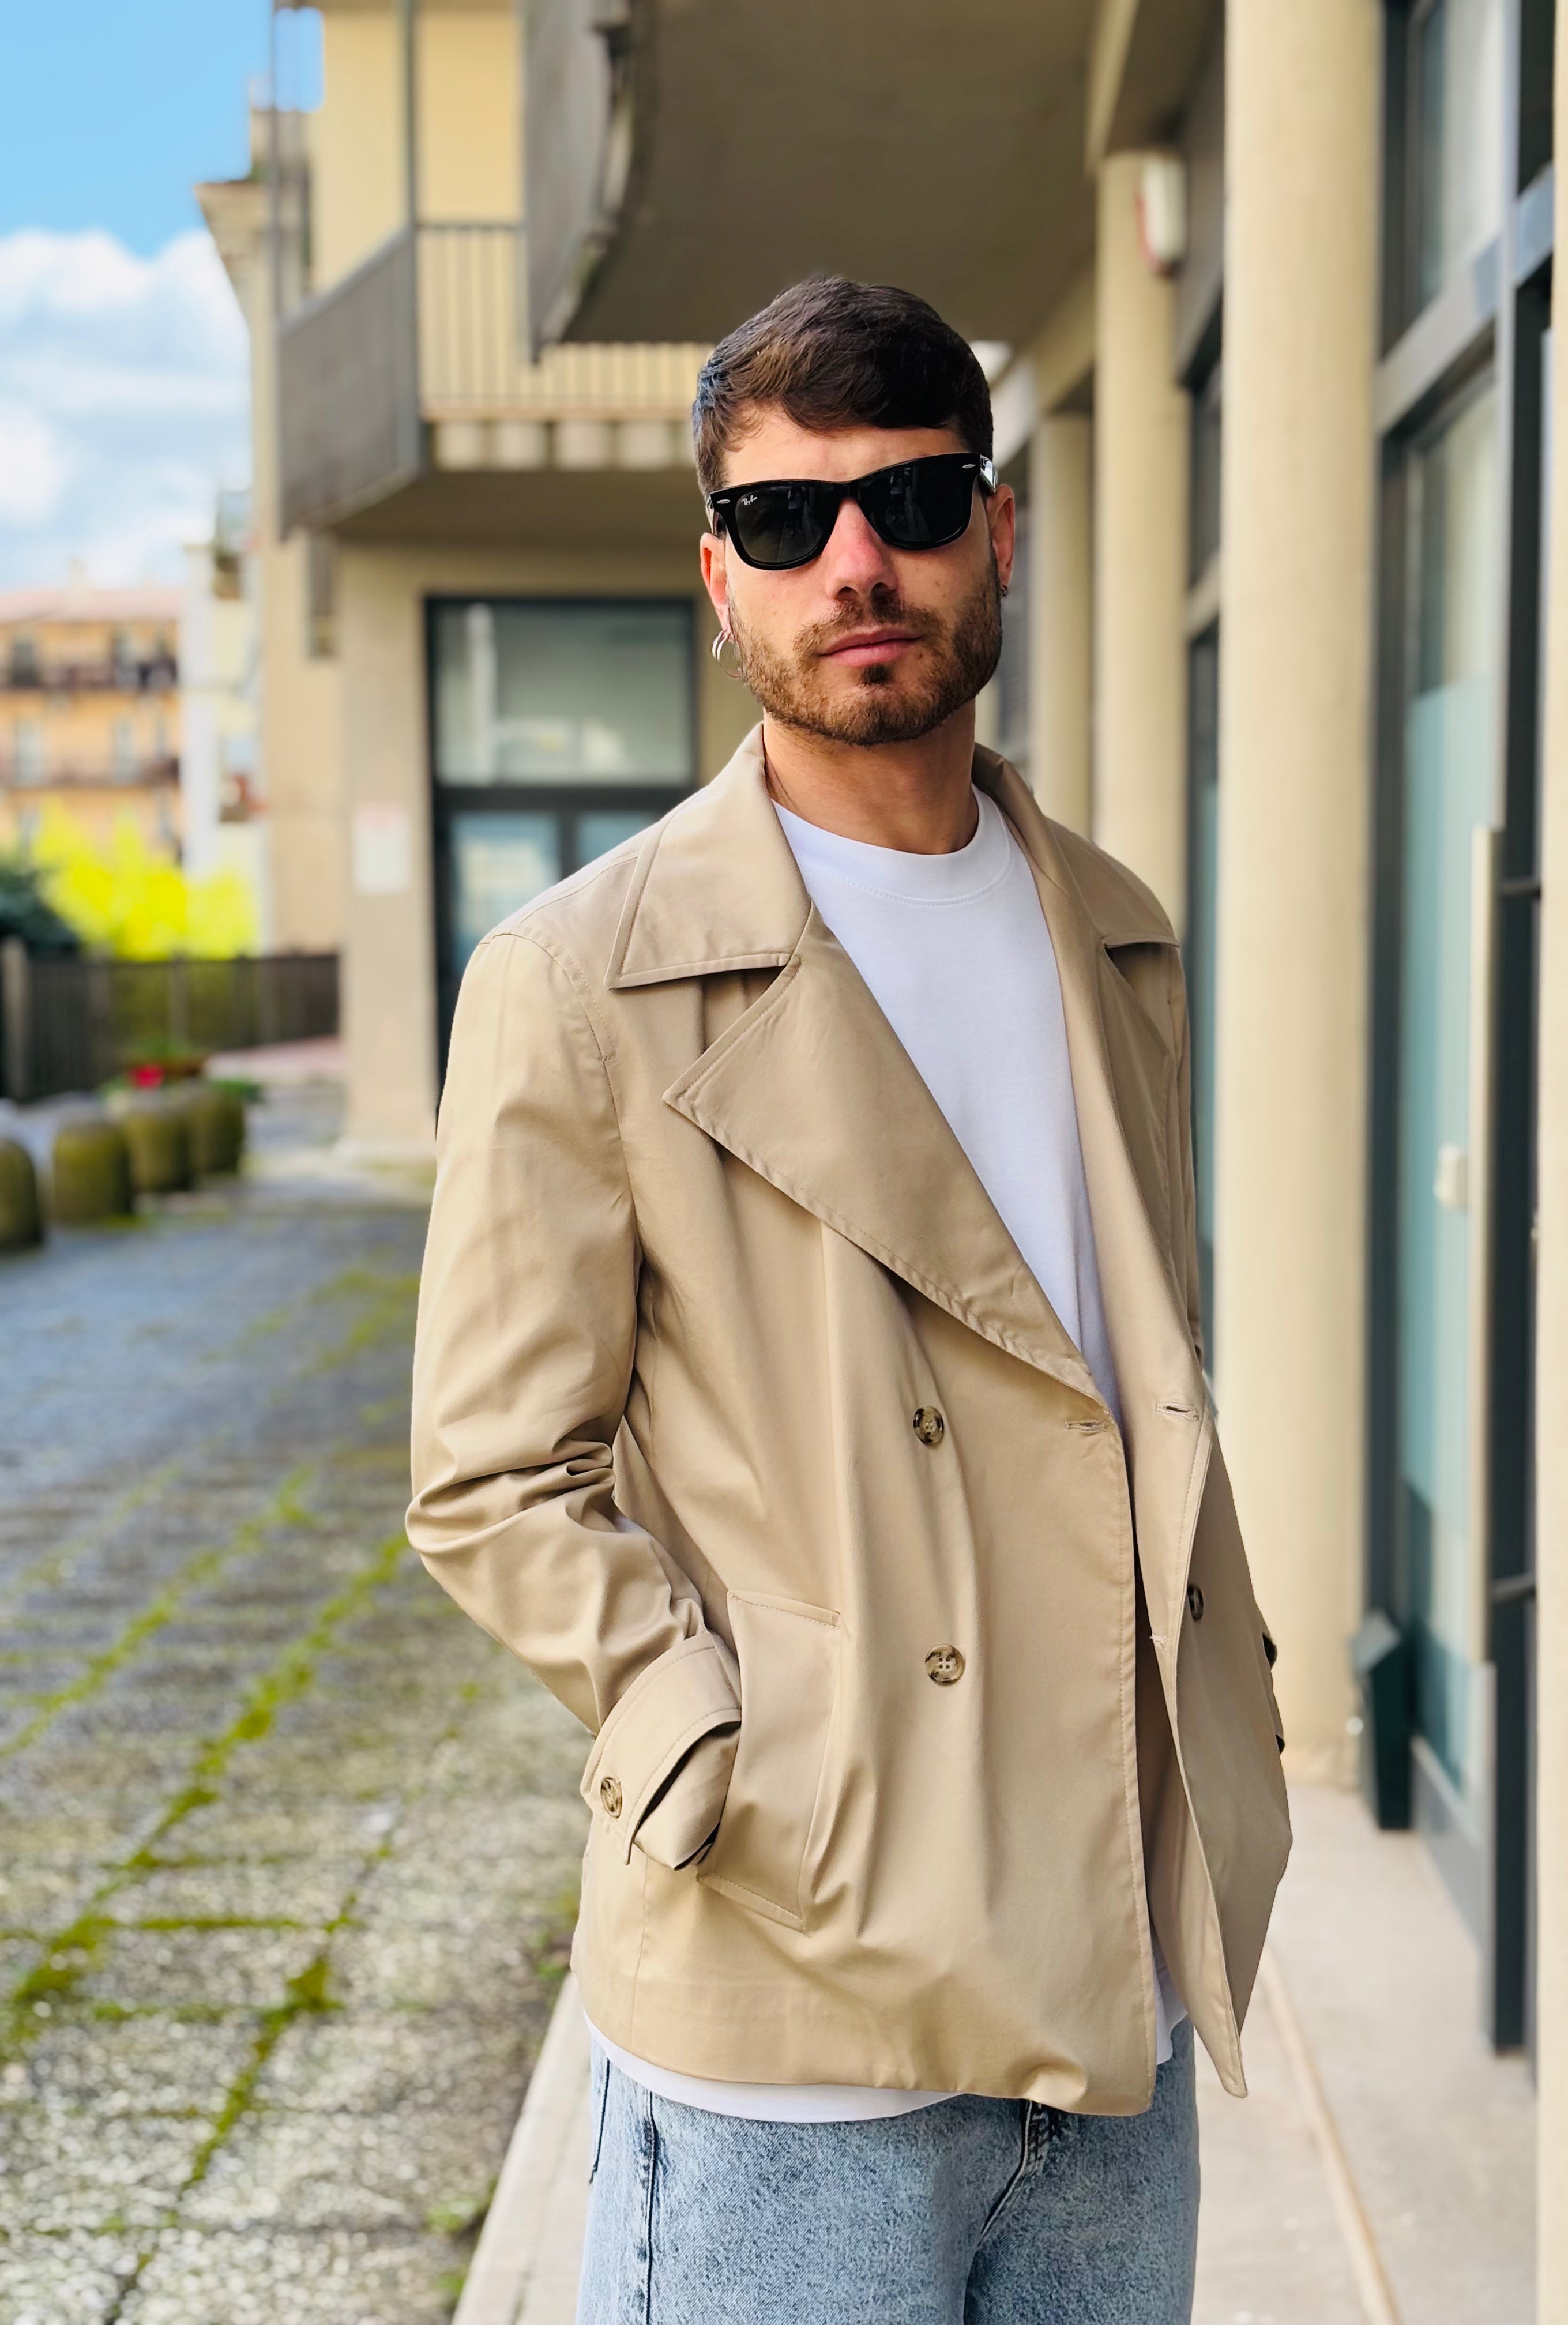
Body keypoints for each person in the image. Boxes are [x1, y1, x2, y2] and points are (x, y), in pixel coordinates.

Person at [408, 274, 1289, 2325]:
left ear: (1000, 526)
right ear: (720, 576)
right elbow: (490, 1476)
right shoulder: (580, 980)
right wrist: (715, 1747)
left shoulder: (1120, 936)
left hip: (1116, 1987)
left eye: (909, 499)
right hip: (791, 2023)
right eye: (785, 521)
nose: (856, 566)